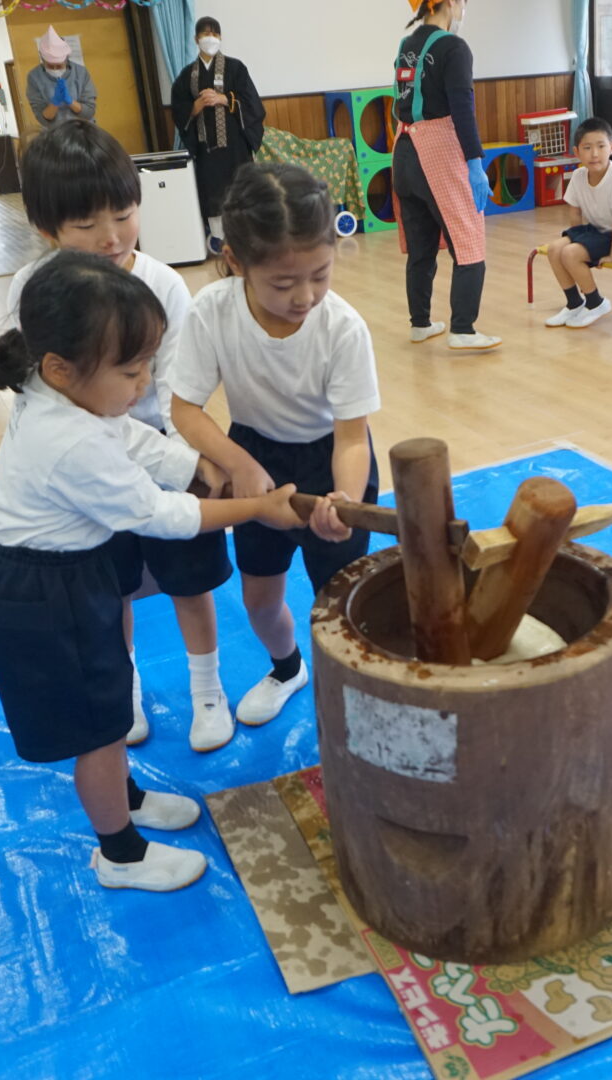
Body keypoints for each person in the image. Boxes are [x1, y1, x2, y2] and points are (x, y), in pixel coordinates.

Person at [0, 251, 303, 892]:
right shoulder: (68, 442)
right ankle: (119, 853)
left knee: (110, 703)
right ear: (62, 368)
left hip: (54, 577)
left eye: (147, 363)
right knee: (101, 726)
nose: (144, 383)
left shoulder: (58, 392)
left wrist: (193, 464)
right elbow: (161, 517)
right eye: (130, 370)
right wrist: (256, 506)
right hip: (39, 598)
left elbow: (129, 435)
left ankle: (128, 797)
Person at [5, 120, 239, 754]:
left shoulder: (161, 285)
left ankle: (208, 689)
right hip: (93, 474)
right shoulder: (33, 292)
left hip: (159, 455)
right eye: (86, 225)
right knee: (113, 590)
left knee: (190, 583)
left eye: (124, 213)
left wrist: (187, 463)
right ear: (47, 227)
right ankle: (127, 687)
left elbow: (174, 395)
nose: (110, 237)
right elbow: (47, 402)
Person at [171, 163, 380, 729]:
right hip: (255, 454)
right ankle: (288, 669)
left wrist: (343, 497)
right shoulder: (212, 310)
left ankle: (359, 698)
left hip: (331, 460)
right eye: (283, 284)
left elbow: (352, 438)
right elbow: (184, 408)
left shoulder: (342, 329)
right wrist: (239, 463)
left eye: (320, 274)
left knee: (344, 605)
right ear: (236, 260)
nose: (305, 296)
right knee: (261, 600)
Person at [393, 0, 501, 352]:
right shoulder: (453, 47)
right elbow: (462, 108)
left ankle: (420, 324)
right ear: (451, 3)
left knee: (421, 246)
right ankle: (463, 328)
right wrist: (475, 162)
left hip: (404, 150)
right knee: (469, 241)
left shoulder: (406, 44)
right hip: (438, 151)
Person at [171, 17, 266, 244]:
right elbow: (179, 107)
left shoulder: (236, 68)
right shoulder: (187, 75)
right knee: (212, 192)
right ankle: (218, 239)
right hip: (207, 148)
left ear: (220, 37)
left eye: (214, 34)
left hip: (235, 146)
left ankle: (246, 237)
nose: (209, 38)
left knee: (241, 190)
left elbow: (252, 102)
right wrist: (195, 107)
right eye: (204, 34)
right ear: (196, 39)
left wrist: (224, 98)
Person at [542, 117, 612, 329]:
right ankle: (574, 303)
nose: (594, 154)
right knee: (555, 249)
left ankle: (596, 303)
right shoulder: (578, 175)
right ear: (577, 152)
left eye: (601, 146)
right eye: (587, 148)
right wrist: (577, 238)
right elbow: (575, 213)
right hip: (596, 230)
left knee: (570, 253)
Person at [25, 27, 97, 131]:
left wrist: (70, 101)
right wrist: (55, 102)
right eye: (50, 65)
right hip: (55, 133)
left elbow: (89, 112)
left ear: (66, 59)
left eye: (58, 66)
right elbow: (43, 119)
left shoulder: (81, 73)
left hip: (84, 131)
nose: (54, 69)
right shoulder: (34, 77)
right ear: (42, 58)